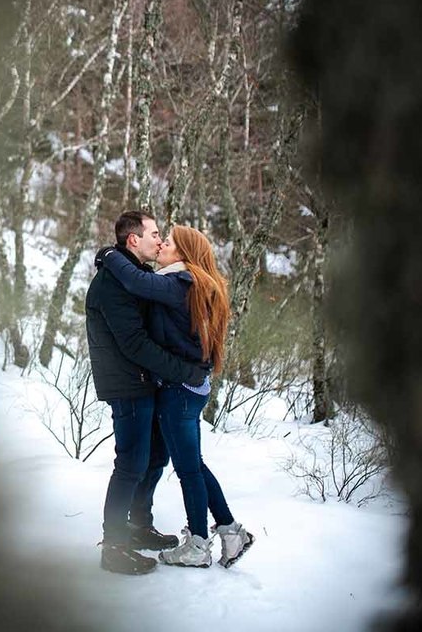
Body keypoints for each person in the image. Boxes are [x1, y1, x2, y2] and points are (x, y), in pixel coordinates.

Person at [99, 225, 255, 569]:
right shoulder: (195, 282)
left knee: (188, 469)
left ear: (182, 253)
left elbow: (138, 282)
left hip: (179, 392)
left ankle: (199, 544)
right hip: (191, 390)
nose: (161, 245)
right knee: (193, 464)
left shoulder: (177, 282)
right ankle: (231, 531)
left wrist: (109, 255)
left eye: (166, 242)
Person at [87, 211, 209, 575]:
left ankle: (140, 525)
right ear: (133, 240)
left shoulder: (136, 276)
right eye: (155, 234)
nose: (160, 240)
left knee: (156, 459)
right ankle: (114, 546)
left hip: (147, 381)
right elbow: (135, 344)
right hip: (128, 383)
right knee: (130, 466)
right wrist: (185, 370)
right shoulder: (113, 281)